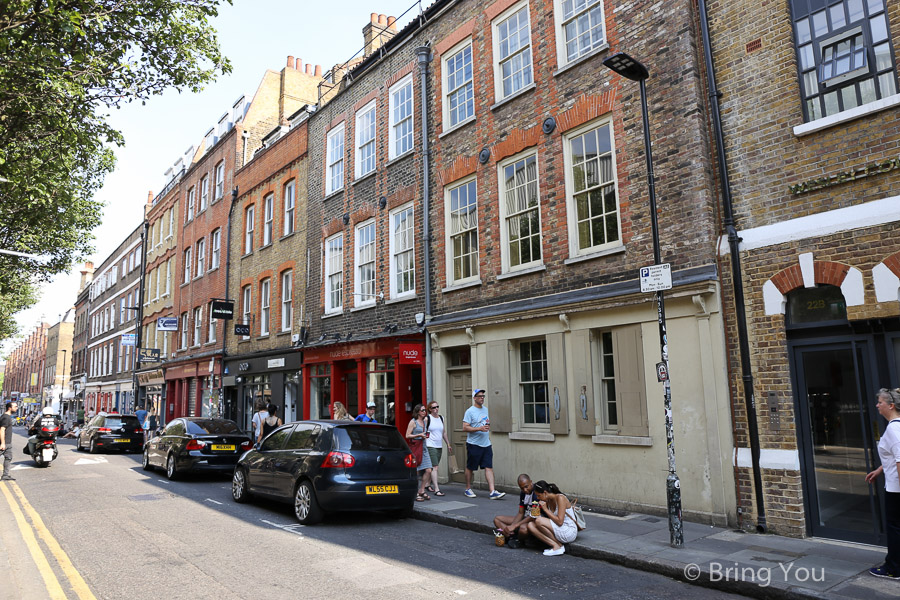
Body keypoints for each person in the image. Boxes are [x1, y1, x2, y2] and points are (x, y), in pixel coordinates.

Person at [865, 387, 900, 579]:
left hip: (896, 490)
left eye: (880, 402)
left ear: (891, 405)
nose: (877, 405)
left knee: (894, 529)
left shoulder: (894, 429)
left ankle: (894, 568)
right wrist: (880, 470)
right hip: (894, 485)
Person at [463, 388, 505, 499]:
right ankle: (468, 488)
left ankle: (492, 491)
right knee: (471, 467)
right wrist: (479, 428)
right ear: (474, 398)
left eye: (483, 396)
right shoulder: (470, 411)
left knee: (488, 467)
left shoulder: (486, 410)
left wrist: (485, 428)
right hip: (474, 444)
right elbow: (465, 427)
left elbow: (486, 423)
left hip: (486, 444)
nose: (482, 398)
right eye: (480, 396)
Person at [526, 480, 578, 556]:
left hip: (569, 531)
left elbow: (560, 522)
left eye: (539, 495)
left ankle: (558, 547)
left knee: (539, 521)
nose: (538, 498)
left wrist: (545, 509)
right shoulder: (548, 500)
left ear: (545, 493)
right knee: (530, 525)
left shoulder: (560, 498)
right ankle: (556, 545)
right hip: (559, 528)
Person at [494, 474, 536, 548]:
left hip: (533, 519)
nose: (525, 490)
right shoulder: (523, 493)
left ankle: (518, 540)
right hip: (525, 518)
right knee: (497, 519)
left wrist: (515, 525)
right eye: (522, 488)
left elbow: (533, 516)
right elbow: (521, 512)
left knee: (523, 529)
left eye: (526, 487)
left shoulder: (536, 493)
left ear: (531, 482)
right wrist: (511, 527)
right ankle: (511, 536)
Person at [424, 401, 452, 496]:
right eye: (434, 407)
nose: (436, 409)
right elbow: (423, 432)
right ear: (430, 409)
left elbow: (443, 432)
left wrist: (448, 444)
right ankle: (437, 489)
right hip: (430, 445)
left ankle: (427, 484)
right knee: (435, 467)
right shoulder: (427, 419)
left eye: (437, 407)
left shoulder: (441, 418)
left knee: (432, 467)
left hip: (439, 445)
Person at [406, 404, 432, 501]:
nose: (424, 412)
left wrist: (424, 435)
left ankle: (422, 490)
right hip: (416, 447)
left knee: (429, 470)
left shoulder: (425, 421)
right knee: (416, 471)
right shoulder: (413, 422)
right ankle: (416, 492)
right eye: (422, 410)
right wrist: (419, 435)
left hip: (423, 446)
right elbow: (407, 435)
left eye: (425, 410)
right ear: (417, 412)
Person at [1, 401, 18, 481]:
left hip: (8, 443)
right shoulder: (6, 417)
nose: (16, 408)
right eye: (15, 407)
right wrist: (3, 443)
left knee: (8, 458)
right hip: (4, 443)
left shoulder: (7, 417)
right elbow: (2, 430)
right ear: (9, 408)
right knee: (8, 457)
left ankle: (5, 475)